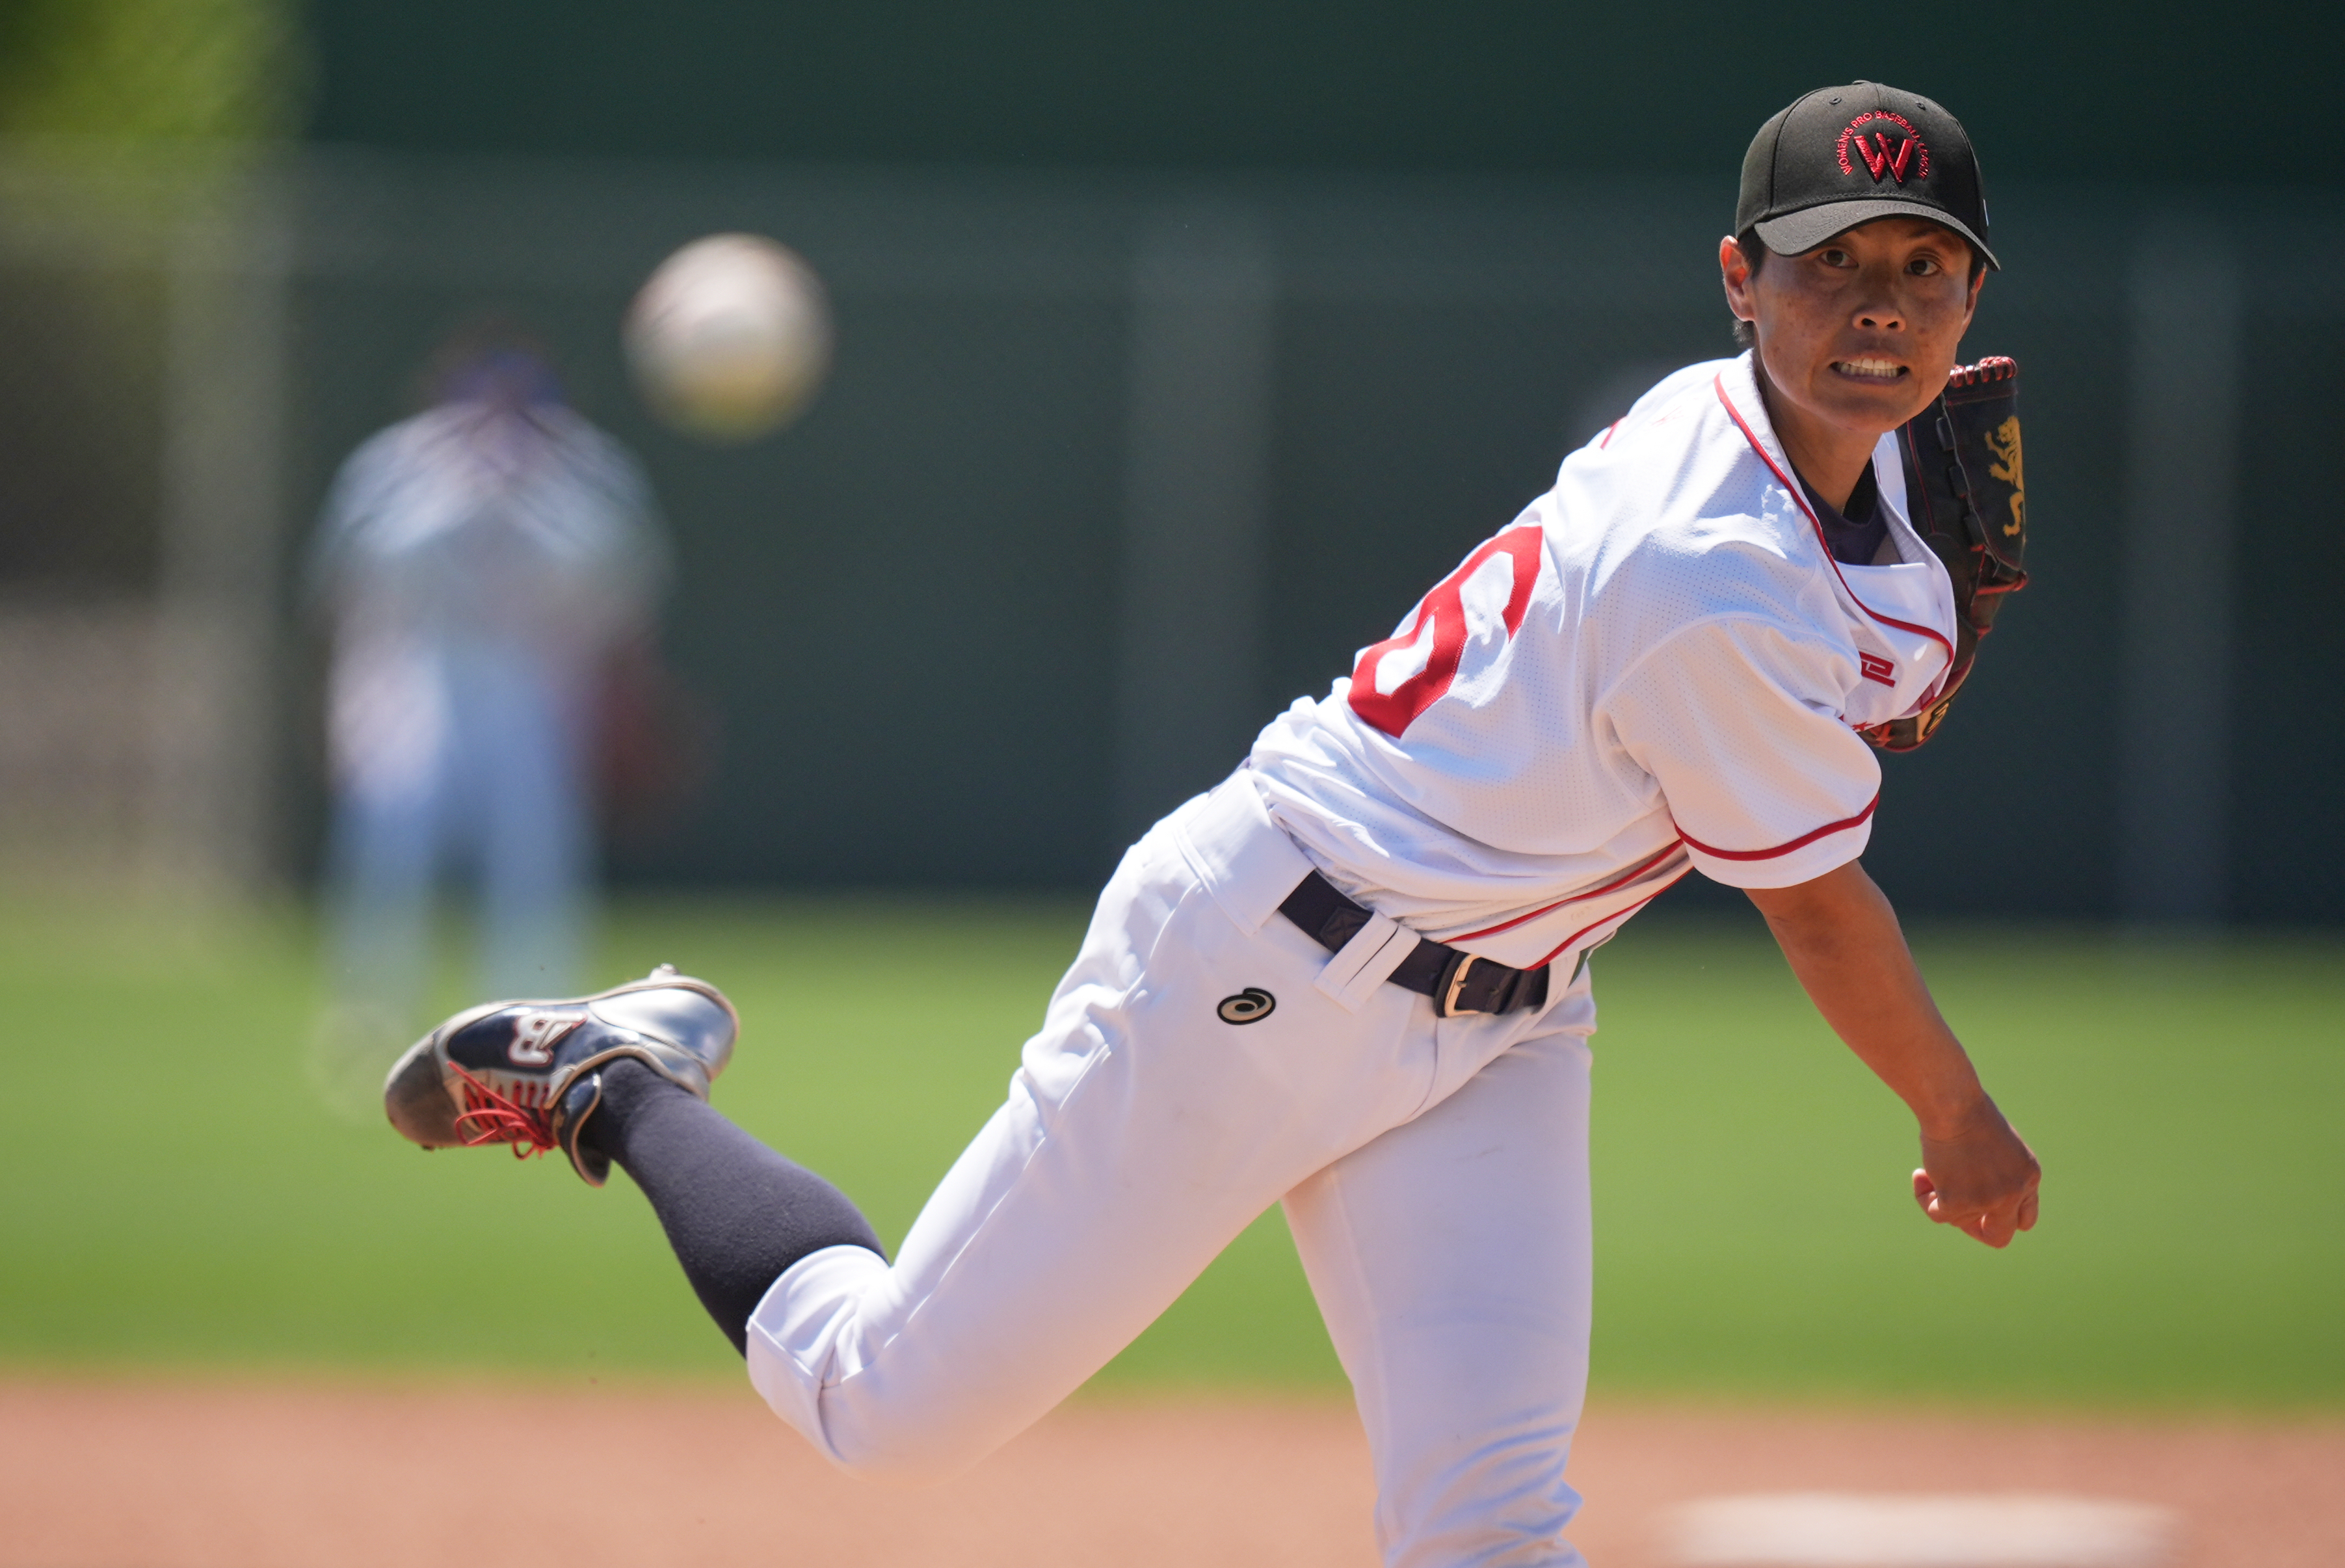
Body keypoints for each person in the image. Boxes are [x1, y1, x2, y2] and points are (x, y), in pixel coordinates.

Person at [384, 84, 2041, 1567]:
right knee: (877, 1404)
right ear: (1741, 281)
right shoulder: (1709, 569)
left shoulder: (1802, 454)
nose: (1880, 310)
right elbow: (1819, 906)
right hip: (1261, 962)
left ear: (1973, 292)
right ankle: (607, 1075)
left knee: (1492, 1524)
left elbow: (1853, 611)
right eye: (1832, 264)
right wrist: (1956, 1115)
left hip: (1509, 1017)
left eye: (1922, 267)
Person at [309, 323, 669, 1108]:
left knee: (532, 848)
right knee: (393, 831)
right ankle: (371, 1011)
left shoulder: (582, 472)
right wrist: (458, 480)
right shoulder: (401, 465)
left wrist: (529, 487)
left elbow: (618, 583)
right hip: (416, 664)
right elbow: (354, 575)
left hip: (529, 673)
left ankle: (540, 1028)